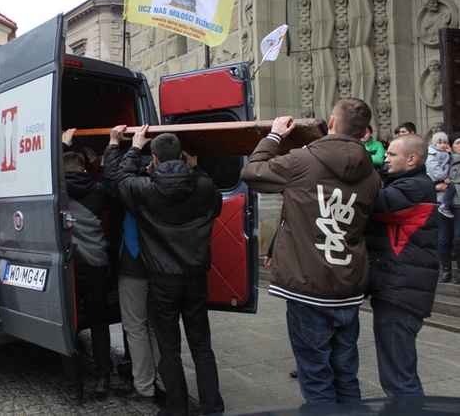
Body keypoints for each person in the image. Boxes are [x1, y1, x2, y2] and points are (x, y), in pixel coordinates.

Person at [240, 98, 380, 404]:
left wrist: (274, 136)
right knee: (345, 374)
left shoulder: (302, 161)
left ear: (330, 123)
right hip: (348, 284)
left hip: (309, 285)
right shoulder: (372, 175)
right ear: (364, 131)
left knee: (315, 376)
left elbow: (252, 172)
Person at [107, 124, 224, 415]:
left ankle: (176, 408)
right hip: (195, 280)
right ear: (183, 156)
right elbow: (216, 204)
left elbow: (116, 178)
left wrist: (131, 146)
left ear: (155, 159)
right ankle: (212, 408)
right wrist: (196, 169)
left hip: (162, 281)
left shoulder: (145, 190)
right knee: (201, 347)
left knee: (169, 348)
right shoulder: (205, 186)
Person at [364, 133, 439, 396]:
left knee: (399, 377)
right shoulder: (404, 182)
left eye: (392, 154)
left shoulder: (417, 186)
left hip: (401, 292)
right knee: (397, 370)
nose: (385, 158)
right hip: (397, 286)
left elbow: (376, 204)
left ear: (412, 159)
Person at [102, 137, 163, 404]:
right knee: (155, 327)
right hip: (161, 265)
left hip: (134, 264)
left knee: (135, 327)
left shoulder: (128, 190)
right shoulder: (164, 185)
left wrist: (115, 144)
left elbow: (113, 178)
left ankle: (144, 387)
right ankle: (163, 382)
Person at [60, 131, 113, 406]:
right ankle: (103, 377)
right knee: (99, 322)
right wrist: (102, 163)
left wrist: (62, 145)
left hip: (68, 267)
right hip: (96, 266)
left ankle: (74, 389)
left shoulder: (56, 191)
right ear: (83, 167)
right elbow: (109, 183)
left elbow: (43, 168)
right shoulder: (97, 191)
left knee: (68, 325)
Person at [438, 132, 460, 284]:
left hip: (459, 203)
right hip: (442, 203)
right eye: (458, 142)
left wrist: (452, 184)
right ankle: (446, 270)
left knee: (459, 239)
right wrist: (436, 186)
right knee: (443, 239)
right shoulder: (440, 159)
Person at [426, 131, 455, 219]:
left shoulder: (444, 152)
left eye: (445, 143)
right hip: (435, 178)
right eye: (440, 143)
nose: (442, 145)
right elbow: (434, 167)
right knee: (451, 187)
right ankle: (444, 205)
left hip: (440, 177)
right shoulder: (432, 153)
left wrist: (450, 153)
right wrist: (444, 177)